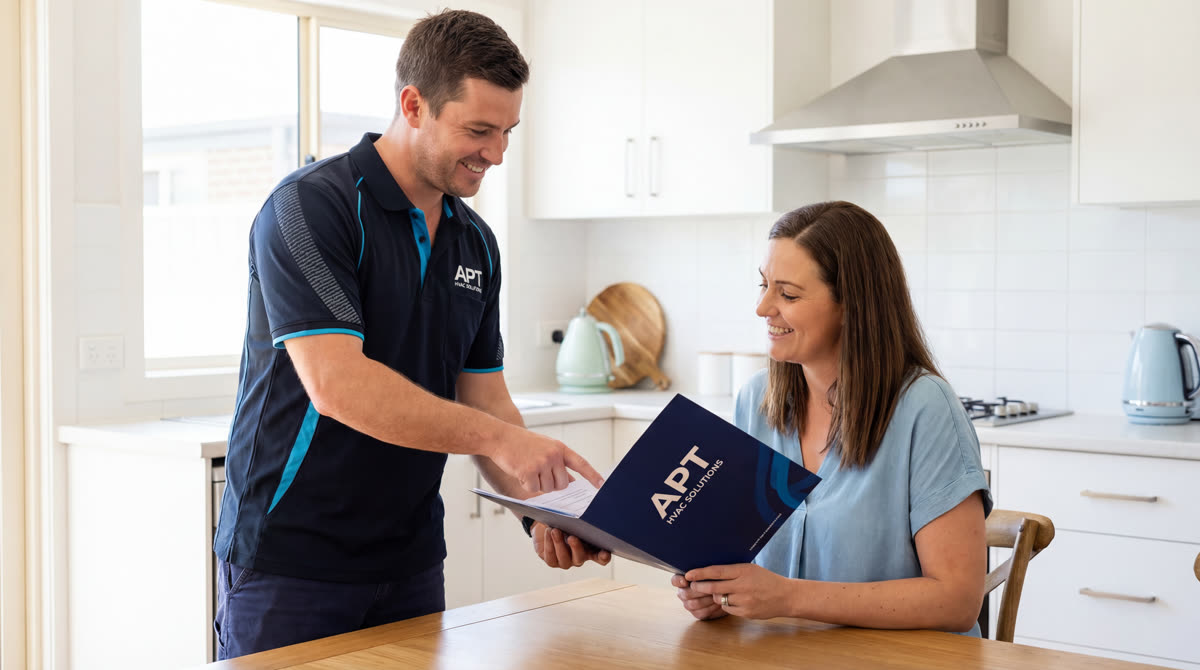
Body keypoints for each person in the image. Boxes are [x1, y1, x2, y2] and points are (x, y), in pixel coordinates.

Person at [213, 9, 605, 659]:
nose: (497, 154)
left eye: (508, 131)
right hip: (291, 562)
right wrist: (509, 444)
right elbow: (338, 385)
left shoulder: (475, 241)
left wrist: (543, 512)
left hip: (411, 561)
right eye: (479, 130)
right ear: (413, 105)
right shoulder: (311, 209)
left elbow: (483, 399)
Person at [673, 201, 993, 635]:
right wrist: (716, 591)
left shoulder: (925, 408)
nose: (763, 307)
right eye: (763, 285)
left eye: (787, 294)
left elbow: (956, 601)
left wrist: (787, 596)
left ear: (852, 305)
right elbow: (741, 559)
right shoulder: (756, 401)